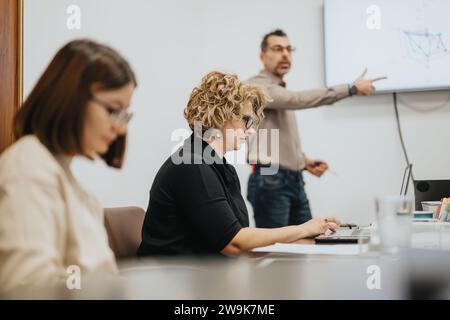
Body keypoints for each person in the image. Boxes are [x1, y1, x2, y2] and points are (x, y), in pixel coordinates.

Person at [137, 71, 340, 257]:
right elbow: (233, 243)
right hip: (175, 284)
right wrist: (304, 229)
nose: (251, 131)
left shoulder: (219, 166)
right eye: (246, 121)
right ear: (219, 116)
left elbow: (241, 239)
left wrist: (312, 233)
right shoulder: (191, 166)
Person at [0, 39, 137, 295]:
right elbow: (27, 288)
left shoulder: (73, 186)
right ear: (71, 98)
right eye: (113, 110)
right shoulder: (28, 167)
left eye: (125, 114)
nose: (120, 128)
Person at [246, 29, 386, 228]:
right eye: (277, 49)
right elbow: (299, 99)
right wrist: (351, 88)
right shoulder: (257, 87)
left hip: (292, 179)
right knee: (276, 251)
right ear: (262, 56)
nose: (285, 54)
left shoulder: (279, 90)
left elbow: (273, 136)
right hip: (270, 178)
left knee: (307, 242)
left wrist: (303, 162)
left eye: (288, 49)